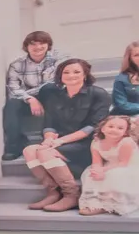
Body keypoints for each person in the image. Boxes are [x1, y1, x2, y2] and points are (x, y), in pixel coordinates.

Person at [21, 57, 111, 211]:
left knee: (45, 153)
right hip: (61, 142)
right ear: (60, 76)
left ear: (85, 74)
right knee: (29, 151)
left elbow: (93, 127)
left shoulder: (98, 94)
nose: (71, 75)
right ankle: (53, 192)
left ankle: (71, 195)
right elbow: (49, 124)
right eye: (66, 72)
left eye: (77, 72)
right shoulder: (55, 96)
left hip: (87, 145)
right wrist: (49, 139)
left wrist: (59, 142)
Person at [2, 30, 64, 160]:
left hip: (52, 98)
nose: (37, 47)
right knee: (11, 105)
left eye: (42, 43)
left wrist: (33, 95)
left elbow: (56, 83)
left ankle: (50, 140)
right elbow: (13, 88)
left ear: (48, 45)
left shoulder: (57, 61)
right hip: (27, 100)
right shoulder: (17, 65)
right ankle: (14, 146)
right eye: (33, 44)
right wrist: (30, 99)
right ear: (26, 47)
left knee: (49, 89)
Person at [79, 113, 139, 217]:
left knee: (115, 174)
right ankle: (95, 203)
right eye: (110, 126)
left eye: (120, 128)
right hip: (110, 165)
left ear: (125, 132)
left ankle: (112, 205)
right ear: (102, 128)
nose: (114, 130)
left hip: (129, 167)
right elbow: (96, 162)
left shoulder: (126, 142)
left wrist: (103, 170)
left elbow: (123, 163)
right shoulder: (96, 142)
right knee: (91, 174)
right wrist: (97, 170)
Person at [113, 41, 139, 118]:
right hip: (131, 118)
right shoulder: (121, 79)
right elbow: (122, 105)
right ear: (130, 58)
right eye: (136, 55)